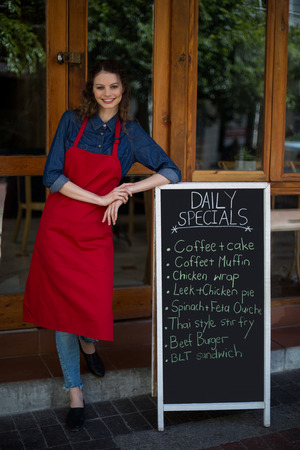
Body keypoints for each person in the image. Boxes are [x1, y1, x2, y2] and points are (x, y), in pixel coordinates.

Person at [23, 59, 181, 431]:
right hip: (60, 228)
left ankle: (89, 345)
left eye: (113, 87)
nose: (106, 93)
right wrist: (99, 198)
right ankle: (75, 393)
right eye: (99, 87)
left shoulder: (130, 133)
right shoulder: (72, 122)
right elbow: (52, 175)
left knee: (91, 303)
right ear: (91, 91)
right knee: (64, 312)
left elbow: (170, 172)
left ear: (123, 91)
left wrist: (125, 190)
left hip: (96, 233)